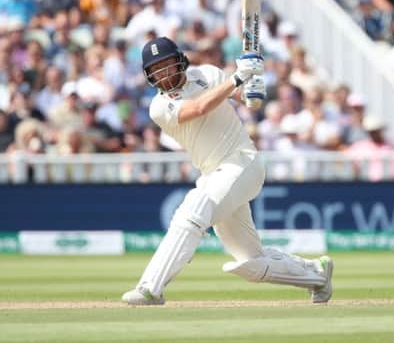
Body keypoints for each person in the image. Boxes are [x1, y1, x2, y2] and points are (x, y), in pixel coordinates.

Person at [122, 36, 333, 305]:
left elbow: (247, 100)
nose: (163, 73)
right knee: (251, 263)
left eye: (166, 64)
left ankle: (150, 288)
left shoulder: (207, 73)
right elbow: (198, 107)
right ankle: (317, 275)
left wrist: (252, 83)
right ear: (149, 75)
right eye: (156, 69)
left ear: (179, 61)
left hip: (243, 162)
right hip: (215, 175)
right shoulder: (158, 107)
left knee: (193, 209)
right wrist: (237, 78)